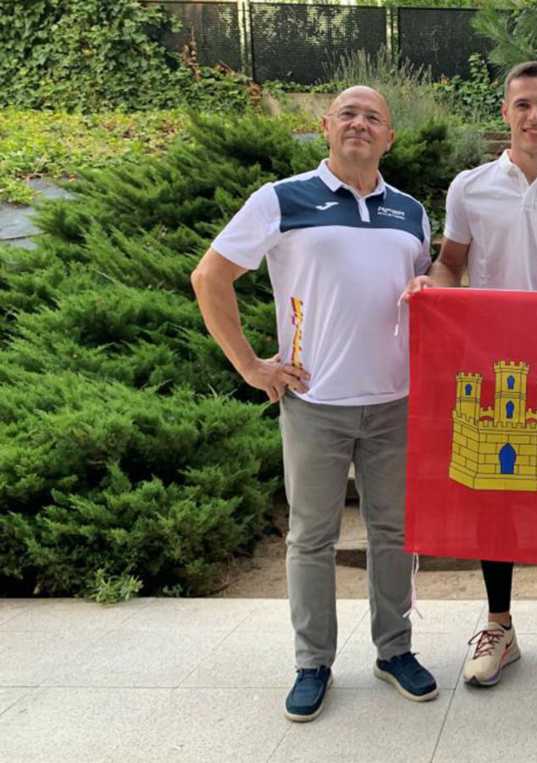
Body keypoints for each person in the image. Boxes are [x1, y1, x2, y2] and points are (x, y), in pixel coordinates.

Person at [191, 86, 438, 722]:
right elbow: (209, 276)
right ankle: (312, 663)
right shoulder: (282, 199)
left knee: (395, 533)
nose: (360, 124)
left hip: (395, 402)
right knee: (310, 537)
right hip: (315, 401)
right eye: (348, 114)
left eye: (373, 117)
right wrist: (251, 366)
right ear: (325, 127)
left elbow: (425, 291)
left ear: (389, 137)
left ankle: (394, 652)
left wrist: (427, 287)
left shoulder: (411, 213)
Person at [403, 61, 537, 687]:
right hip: (487, 364)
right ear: (505, 112)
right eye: (523, 104)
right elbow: (450, 265)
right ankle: (499, 626)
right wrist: (428, 290)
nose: (534, 116)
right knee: (493, 488)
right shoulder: (469, 186)